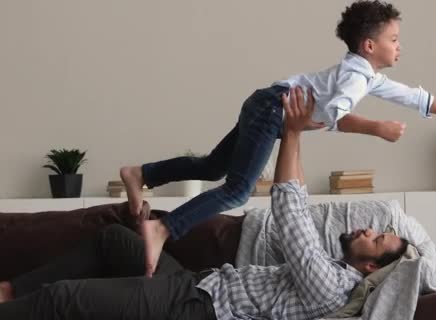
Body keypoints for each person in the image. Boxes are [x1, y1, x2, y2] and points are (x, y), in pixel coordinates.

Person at [120, 0, 436, 277]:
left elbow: (416, 97)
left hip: (267, 101)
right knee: (238, 190)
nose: (399, 46)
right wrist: (378, 128)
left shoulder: (367, 76)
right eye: (394, 39)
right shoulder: (355, 79)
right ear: (369, 45)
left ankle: (143, 174)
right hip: (272, 109)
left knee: (214, 166)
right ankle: (163, 228)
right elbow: (333, 118)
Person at [0, 87, 409, 320]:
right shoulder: (333, 267)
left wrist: (295, 134)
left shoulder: (332, 287)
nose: (367, 230)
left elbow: (289, 213)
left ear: (371, 267)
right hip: (198, 283)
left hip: (198, 310)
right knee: (113, 238)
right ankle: (10, 289)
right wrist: (291, 133)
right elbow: (298, 205)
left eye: (376, 240)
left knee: (62, 299)